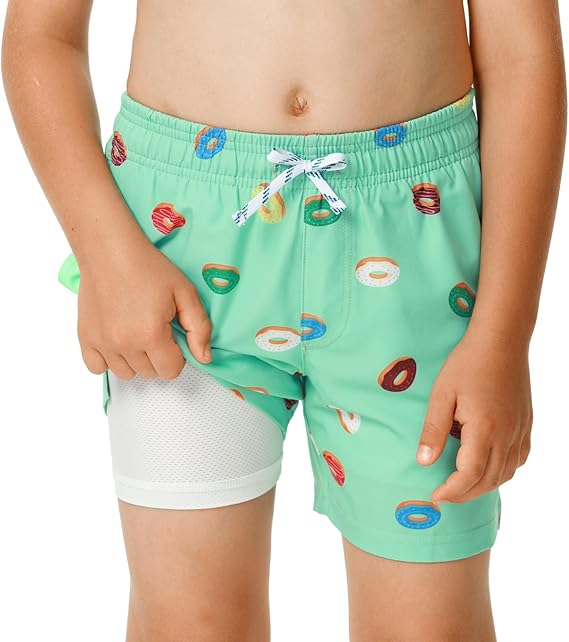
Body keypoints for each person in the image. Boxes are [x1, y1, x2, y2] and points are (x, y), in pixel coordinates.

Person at [2, 1, 566, 640]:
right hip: (181, 261)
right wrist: (107, 257)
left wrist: (503, 335)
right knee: (189, 624)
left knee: (433, 628)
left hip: (413, 253)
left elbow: (521, 54)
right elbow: (42, 34)